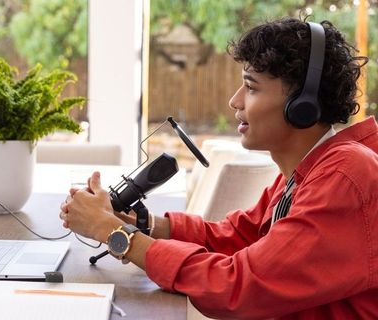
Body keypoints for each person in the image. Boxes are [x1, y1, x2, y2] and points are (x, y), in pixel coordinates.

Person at [59, 16, 378, 319]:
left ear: (303, 106)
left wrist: (115, 234)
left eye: (251, 87)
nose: (235, 101)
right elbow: (239, 236)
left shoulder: (345, 177)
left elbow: (238, 286)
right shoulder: (310, 170)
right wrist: (141, 222)